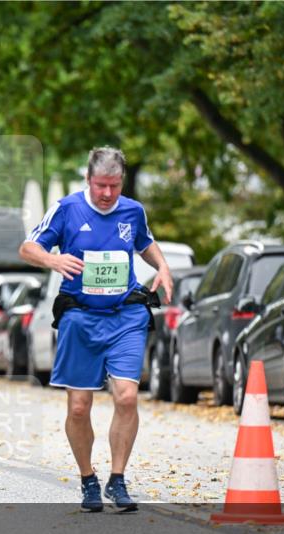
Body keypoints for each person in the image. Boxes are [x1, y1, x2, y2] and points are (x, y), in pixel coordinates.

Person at [19, 146, 174, 513]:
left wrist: (163, 267)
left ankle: (117, 480)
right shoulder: (67, 208)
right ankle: (88, 479)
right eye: (101, 185)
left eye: (114, 186)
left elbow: (145, 242)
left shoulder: (133, 211)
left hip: (125, 317)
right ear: (88, 180)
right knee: (78, 407)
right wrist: (53, 258)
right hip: (80, 318)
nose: (107, 194)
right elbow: (27, 248)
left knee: (126, 397)